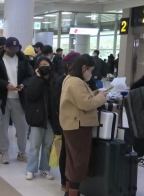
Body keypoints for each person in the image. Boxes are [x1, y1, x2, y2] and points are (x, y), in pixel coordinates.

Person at [59, 54, 107, 196]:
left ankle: (69, 192)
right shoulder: (75, 82)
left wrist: (94, 93)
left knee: (72, 161)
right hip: (78, 126)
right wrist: (101, 97)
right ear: (84, 67)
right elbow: (86, 104)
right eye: (90, 71)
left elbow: (80, 98)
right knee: (79, 162)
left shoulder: (70, 79)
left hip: (72, 125)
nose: (91, 74)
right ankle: (73, 193)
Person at [0, 37, 33, 164]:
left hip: (18, 98)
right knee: (2, 126)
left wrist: (23, 85)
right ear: (5, 47)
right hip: (3, 98)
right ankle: (4, 152)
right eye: (11, 49)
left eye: (16, 48)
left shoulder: (23, 60)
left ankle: (22, 152)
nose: (14, 51)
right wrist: (5, 84)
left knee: (22, 126)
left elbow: (28, 76)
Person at [25, 57, 56, 181]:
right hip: (38, 118)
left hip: (51, 119)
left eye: (46, 64)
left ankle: (45, 169)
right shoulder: (33, 81)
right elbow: (31, 95)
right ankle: (30, 169)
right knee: (34, 145)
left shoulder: (55, 81)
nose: (44, 66)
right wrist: (38, 78)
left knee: (47, 146)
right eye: (41, 65)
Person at [54, 52, 81, 191]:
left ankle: (75, 183)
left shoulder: (84, 80)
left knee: (77, 154)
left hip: (82, 124)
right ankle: (66, 181)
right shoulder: (62, 81)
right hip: (67, 122)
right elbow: (58, 103)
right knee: (66, 152)